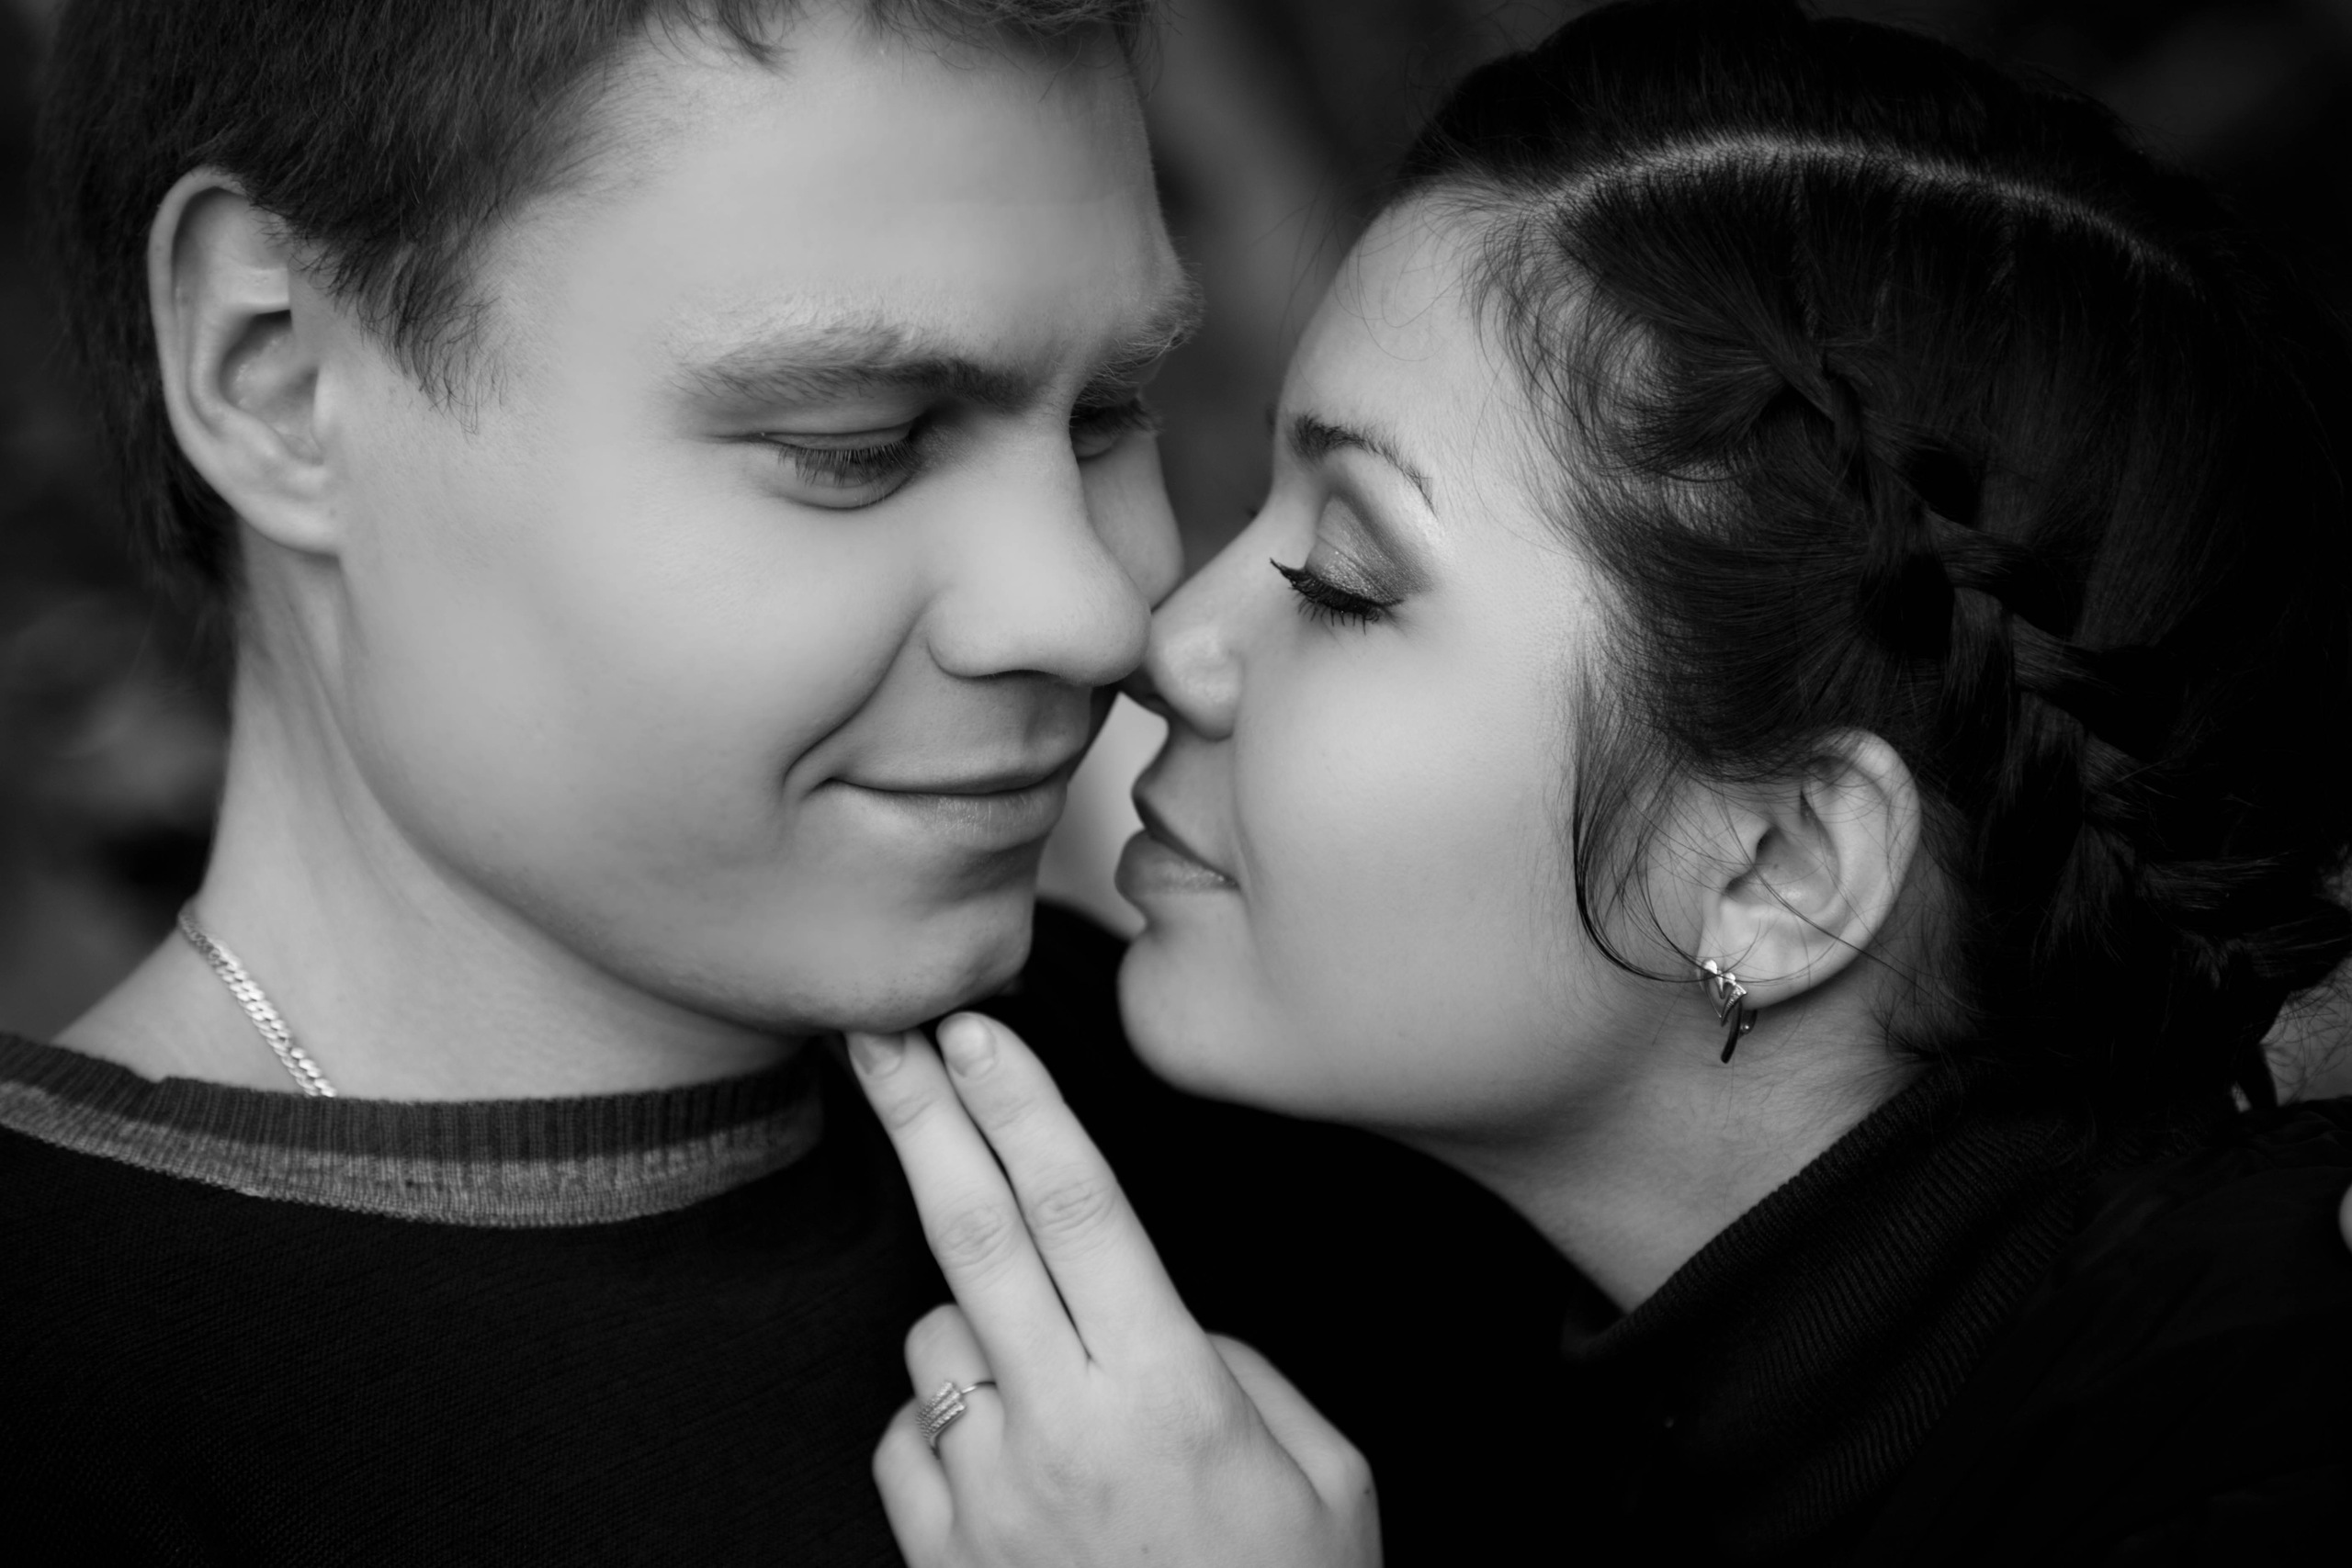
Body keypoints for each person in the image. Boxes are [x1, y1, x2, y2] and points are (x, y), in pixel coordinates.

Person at [846, 1, 2352, 1562]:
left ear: (1778, 869)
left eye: (1344, 580)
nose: (1164, 640)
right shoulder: (1480, 1347)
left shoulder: (2266, 1446)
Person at [4, 0, 1193, 1558]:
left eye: (1105, 417)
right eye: (857, 442)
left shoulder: (1248, 1102)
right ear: (277, 377)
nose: (1094, 609)